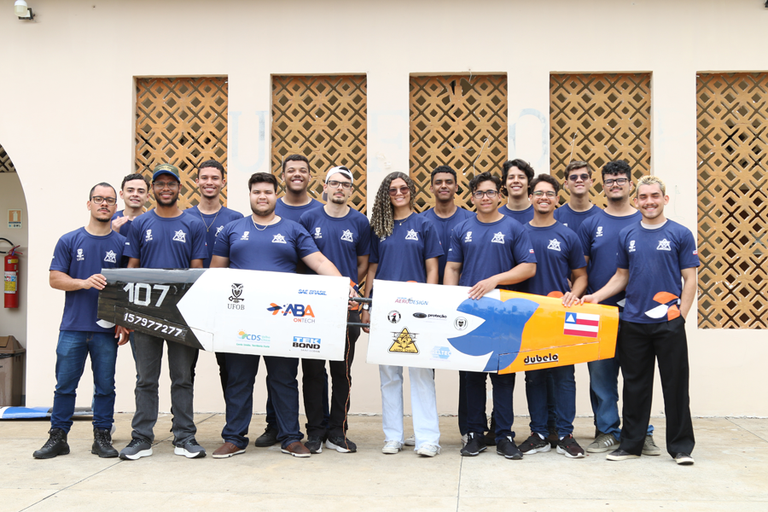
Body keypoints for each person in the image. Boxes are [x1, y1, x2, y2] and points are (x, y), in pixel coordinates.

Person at [210, 172, 348, 459]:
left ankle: (289, 437)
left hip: (281, 321)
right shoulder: (231, 230)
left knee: (284, 379)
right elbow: (216, 274)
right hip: (241, 320)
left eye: (268, 192)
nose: (262, 197)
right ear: (249, 195)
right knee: (239, 379)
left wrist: (341, 286)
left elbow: (319, 261)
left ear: (276, 195)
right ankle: (234, 437)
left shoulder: (293, 229)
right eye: (257, 192)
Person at [570, 175, 698, 466]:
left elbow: (690, 279)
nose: (649, 202)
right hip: (633, 322)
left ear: (664, 199)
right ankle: (630, 445)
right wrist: (596, 297)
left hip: (669, 323)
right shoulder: (627, 234)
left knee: (675, 386)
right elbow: (621, 277)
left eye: (655, 196)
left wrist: (681, 317)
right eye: (644, 197)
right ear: (636, 200)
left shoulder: (680, 233)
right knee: (635, 386)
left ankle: (680, 448)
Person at [119, 163, 208, 460]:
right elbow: (130, 270)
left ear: (180, 188)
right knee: (146, 379)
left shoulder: (194, 224)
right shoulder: (140, 224)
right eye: (160, 184)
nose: (166, 188)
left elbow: (198, 273)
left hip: (181, 314)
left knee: (182, 377)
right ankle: (141, 438)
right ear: (153, 189)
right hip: (145, 314)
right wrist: (125, 314)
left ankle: (184, 437)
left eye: (171, 183)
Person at [444, 172, 536, 459]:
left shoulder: (514, 228)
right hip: (470, 312)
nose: (485, 197)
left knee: (503, 376)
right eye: (480, 193)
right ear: (472, 198)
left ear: (500, 195)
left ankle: (504, 434)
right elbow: (452, 268)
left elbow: (528, 267)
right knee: (471, 375)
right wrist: (451, 300)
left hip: (503, 313)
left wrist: (495, 280)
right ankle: (474, 434)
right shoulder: (462, 228)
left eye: (491, 192)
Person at [569, 160, 658, 455]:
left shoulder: (643, 221)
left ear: (631, 185)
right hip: (598, 312)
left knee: (637, 377)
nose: (615, 185)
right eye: (610, 181)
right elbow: (579, 270)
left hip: (637, 313)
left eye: (621, 180)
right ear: (602, 185)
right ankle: (607, 431)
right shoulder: (590, 224)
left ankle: (641, 432)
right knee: (601, 378)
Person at [33, 183, 128, 459]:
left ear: (115, 204)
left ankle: (102, 437)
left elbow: (128, 287)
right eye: (98, 199)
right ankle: (58, 437)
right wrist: (83, 282)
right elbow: (54, 278)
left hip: (106, 329)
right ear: (89, 204)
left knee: (105, 386)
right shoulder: (69, 240)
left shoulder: (122, 245)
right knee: (64, 385)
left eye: (109, 200)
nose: (104, 204)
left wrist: (123, 320)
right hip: (73, 327)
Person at [361, 171, 443, 457]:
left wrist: (429, 302)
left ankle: (427, 439)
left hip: (417, 310)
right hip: (385, 308)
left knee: (422, 375)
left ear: (411, 191)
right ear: (386, 193)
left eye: (403, 188)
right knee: (390, 377)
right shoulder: (378, 227)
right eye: (393, 189)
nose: (399, 193)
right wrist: (367, 306)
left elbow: (432, 268)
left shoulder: (424, 224)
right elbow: (372, 269)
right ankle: (393, 436)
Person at [255, 153, 325, 448]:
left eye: (303, 170)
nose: (297, 174)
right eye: (291, 170)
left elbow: (321, 258)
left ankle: (316, 430)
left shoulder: (320, 211)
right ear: (281, 176)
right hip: (273, 304)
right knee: (279, 369)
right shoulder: (271, 206)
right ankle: (276, 426)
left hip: (311, 304)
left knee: (312, 371)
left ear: (311, 176)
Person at [299, 166, 370, 453]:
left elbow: (364, 263)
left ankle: (337, 432)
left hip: (348, 307)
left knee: (342, 372)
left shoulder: (360, 222)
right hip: (313, 308)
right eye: (334, 183)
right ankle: (315, 432)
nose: (339, 188)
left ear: (352, 190)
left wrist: (352, 288)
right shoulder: (308, 218)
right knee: (313, 372)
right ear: (325, 187)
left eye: (346, 184)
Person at [517, 174, 587, 458]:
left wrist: (575, 294)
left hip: (561, 316)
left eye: (550, 194)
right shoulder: (518, 232)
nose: (544, 198)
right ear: (531, 197)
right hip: (529, 318)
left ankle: (566, 434)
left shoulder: (568, 235)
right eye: (539, 193)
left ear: (558, 199)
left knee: (563, 376)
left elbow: (581, 276)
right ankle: (540, 433)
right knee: (533, 376)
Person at [185, 159, 243, 391]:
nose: (210, 182)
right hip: (190, 299)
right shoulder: (184, 217)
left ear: (223, 182)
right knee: (185, 366)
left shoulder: (236, 218)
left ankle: (233, 424)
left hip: (224, 301)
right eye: (205, 177)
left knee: (229, 367)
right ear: (196, 181)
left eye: (215, 178)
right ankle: (181, 422)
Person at [554, 161, 601, 232]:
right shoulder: (555, 217)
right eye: (573, 177)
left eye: (584, 177)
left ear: (591, 182)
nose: (579, 180)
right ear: (566, 184)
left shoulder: (600, 216)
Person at [498, 159, 535, 224]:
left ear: (529, 183)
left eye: (521, 177)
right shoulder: (496, 216)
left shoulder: (540, 215)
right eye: (511, 177)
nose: (516, 181)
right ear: (504, 184)